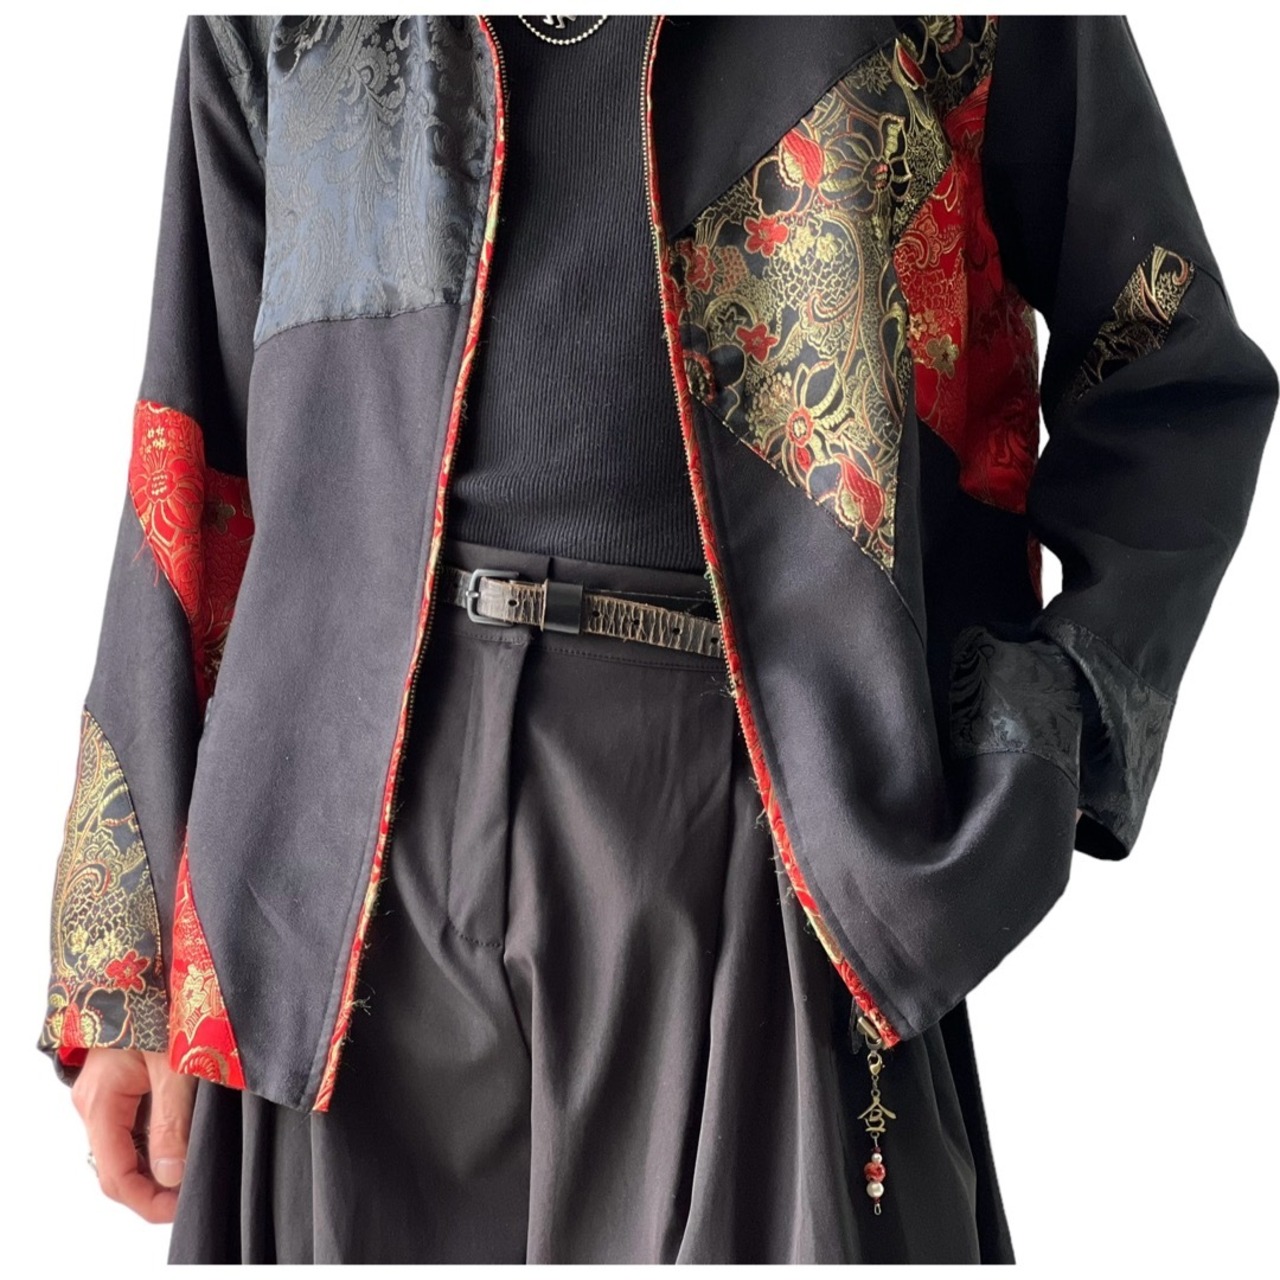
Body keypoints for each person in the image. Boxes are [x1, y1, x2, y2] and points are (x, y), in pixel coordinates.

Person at [39, 13, 1276, 1265]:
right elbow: (195, 442)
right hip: (329, 855)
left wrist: (1038, 726)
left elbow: (1168, 369)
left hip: (777, 808)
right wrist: (124, 965)